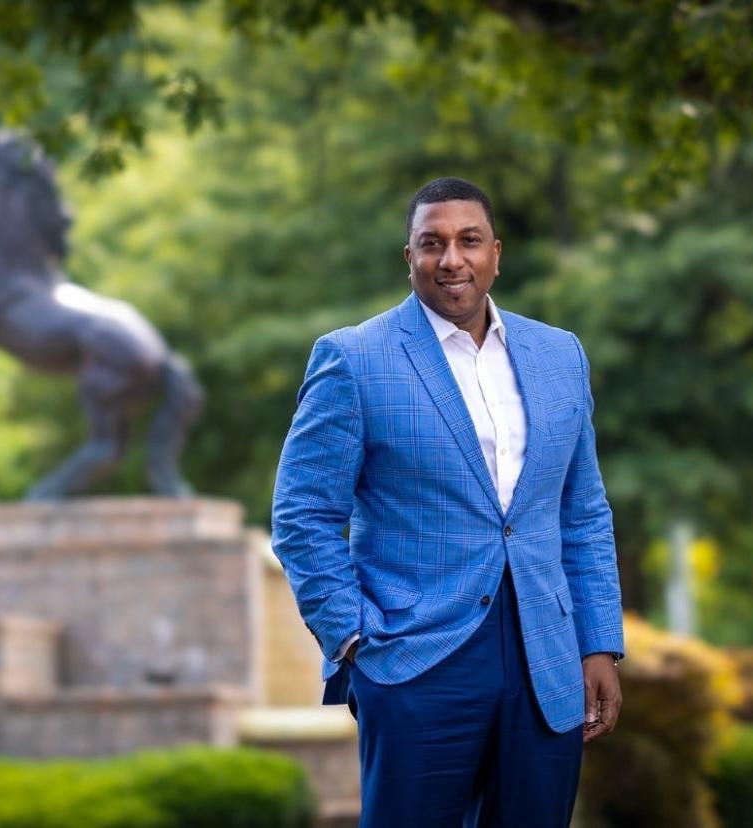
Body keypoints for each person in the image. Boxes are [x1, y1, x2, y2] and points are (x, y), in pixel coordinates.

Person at [271, 177, 624, 826]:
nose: (451, 259)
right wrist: (354, 639)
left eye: (468, 241)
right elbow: (303, 517)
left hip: (545, 660)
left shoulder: (560, 355)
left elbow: (582, 513)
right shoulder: (353, 359)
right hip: (414, 659)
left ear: (496, 252)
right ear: (409, 258)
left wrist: (597, 643)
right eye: (431, 243)